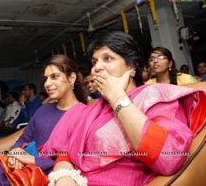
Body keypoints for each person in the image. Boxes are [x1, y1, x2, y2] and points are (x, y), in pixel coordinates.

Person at [40, 31, 206, 186]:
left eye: (108, 58)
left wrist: (117, 98)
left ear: (132, 66)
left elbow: (169, 158)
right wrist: (64, 176)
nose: (96, 67)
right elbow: (67, 151)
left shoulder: (153, 96)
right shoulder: (94, 109)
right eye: (94, 62)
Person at [0, 55, 88, 185]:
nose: (47, 83)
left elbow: (76, 160)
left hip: (46, 172)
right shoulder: (43, 110)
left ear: (72, 78)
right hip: (20, 164)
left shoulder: (84, 114)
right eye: (46, 78)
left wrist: (31, 160)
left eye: (54, 76)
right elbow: (23, 138)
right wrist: (16, 154)